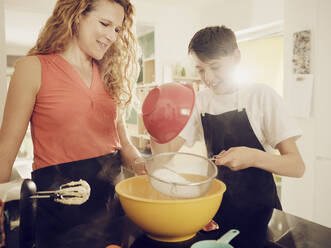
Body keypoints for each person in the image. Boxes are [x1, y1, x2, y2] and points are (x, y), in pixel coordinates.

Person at [0, 0, 145, 247]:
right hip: (60, 207)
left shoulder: (111, 74)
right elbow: (5, 151)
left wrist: (145, 166)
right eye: (104, 24)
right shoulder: (32, 68)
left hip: (111, 204)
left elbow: (124, 144)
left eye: (117, 29)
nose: (112, 36)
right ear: (77, 16)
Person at [151, 25, 305, 248]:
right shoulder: (200, 101)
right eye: (201, 70)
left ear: (236, 57)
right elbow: (164, 155)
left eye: (215, 67)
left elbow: (296, 166)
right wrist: (157, 123)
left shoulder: (261, 96)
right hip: (214, 210)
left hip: (262, 213)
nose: (209, 78)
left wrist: (252, 157)